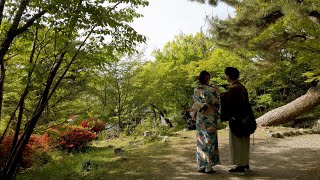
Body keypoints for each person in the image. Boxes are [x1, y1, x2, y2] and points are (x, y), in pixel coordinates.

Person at [220, 67, 251, 175]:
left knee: (237, 142)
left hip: (237, 120)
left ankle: (240, 166)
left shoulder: (234, 88)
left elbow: (228, 101)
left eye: (225, 75)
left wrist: (220, 93)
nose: (225, 77)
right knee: (244, 142)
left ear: (228, 76)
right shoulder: (240, 86)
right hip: (245, 119)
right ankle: (245, 163)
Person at [191, 70, 221, 173]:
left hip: (200, 118)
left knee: (201, 140)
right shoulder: (211, 89)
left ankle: (201, 165)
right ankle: (208, 165)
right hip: (210, 117)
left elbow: (195, 102)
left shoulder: (197, 89)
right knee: (210, 140)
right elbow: (216, 102)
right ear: (207, 77)